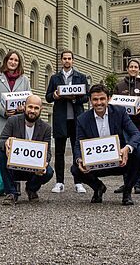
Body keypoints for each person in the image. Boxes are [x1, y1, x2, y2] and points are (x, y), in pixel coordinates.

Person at [70, 84, 140, 206]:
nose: (99, 103)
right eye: (95, 99)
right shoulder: (82, 119)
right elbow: (78, 144)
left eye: (102, 99)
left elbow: (136, 134)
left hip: (120, 161)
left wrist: (127, 148)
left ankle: (127, 192)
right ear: (90, 100)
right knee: (75, 168)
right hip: (95, 164)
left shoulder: (120, 112)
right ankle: (98, 187)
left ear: (108, 99)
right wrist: (79, 159)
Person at [0, 95, 54, 205]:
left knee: (49, 172)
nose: (32, 111)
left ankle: (31, 189)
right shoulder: (13, 121)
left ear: (41, 110)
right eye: (30, 107)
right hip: (14, 167)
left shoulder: (46, 128)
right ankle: (11, 193)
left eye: (36, 108)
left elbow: (48, 153)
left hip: (33, 169)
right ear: (24, 107)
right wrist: (6, 142)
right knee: (1, 154)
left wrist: (44, 164)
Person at [45, 49, 89, 194]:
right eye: (64, 58)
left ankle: (78, 182)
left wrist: (75, 98)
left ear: (73, 60)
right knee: (59, 152)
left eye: (69, 58)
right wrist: (55, 95)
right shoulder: (54, 78)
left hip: (77, 119)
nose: (67, 61)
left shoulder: (81, 77)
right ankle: (59, 182)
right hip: (60, 119)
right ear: (61, 60)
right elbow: (48, 97)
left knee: (78, 152)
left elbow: (87, 96)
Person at [113, 58, 140, 195]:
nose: (133, 69)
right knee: (125, 153)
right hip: (125, 126)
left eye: (135, 67)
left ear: (139, 69)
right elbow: (113, 104)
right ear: (127, 68)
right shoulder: (120, 86)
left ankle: (137, 183)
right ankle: (127, 183)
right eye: (131, 66)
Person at [0, 50, 31, 162]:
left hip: (18, 119)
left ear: (19, 63)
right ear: (6, 61)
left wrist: (23, 108)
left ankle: (15, 178)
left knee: (15, 153)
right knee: (0, 151)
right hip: (0, 119)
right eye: (11, 59)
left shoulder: (25, 80)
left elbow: (29, 99)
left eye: (16, 60)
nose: (13, 62)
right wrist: (4, 111)